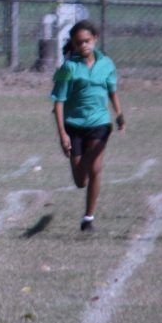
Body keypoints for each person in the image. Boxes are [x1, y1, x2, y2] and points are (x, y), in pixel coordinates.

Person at [51, 20, 125, 232]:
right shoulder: (68, 68)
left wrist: (119, 114)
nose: (83, 45)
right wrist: (63, 134)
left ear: (95, 39)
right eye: (78, 42)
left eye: (87, 41)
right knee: (80, 180)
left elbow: (112, 91)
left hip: (99, 123)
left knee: (95, 167)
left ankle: (88, 218)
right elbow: (58, 102)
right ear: (73, 45)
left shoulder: (107, 64)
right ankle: (87, 208)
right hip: (74, 125)